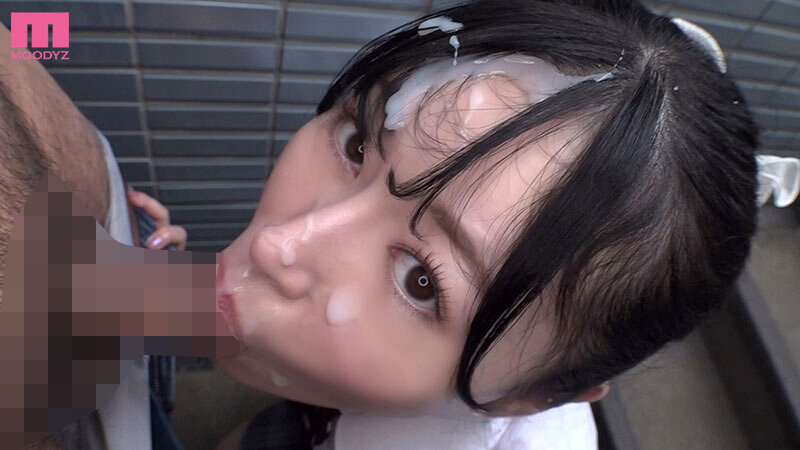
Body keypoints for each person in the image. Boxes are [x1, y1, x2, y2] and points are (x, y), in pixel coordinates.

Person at [209, 0, 760, 449]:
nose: (277, 246)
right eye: (356, 145)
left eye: (420, 281)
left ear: (531, 397)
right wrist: (155, 283)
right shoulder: (307, 347)